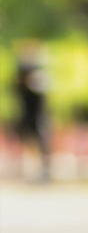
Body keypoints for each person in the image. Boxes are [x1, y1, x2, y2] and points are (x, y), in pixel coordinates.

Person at [13, 41, 53, 182]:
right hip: (28, 114)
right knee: (25, 141)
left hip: (37, 115)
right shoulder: (21, 73)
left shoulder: (39, 74)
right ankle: (27, 171)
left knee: (40, 142)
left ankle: (43, 172)